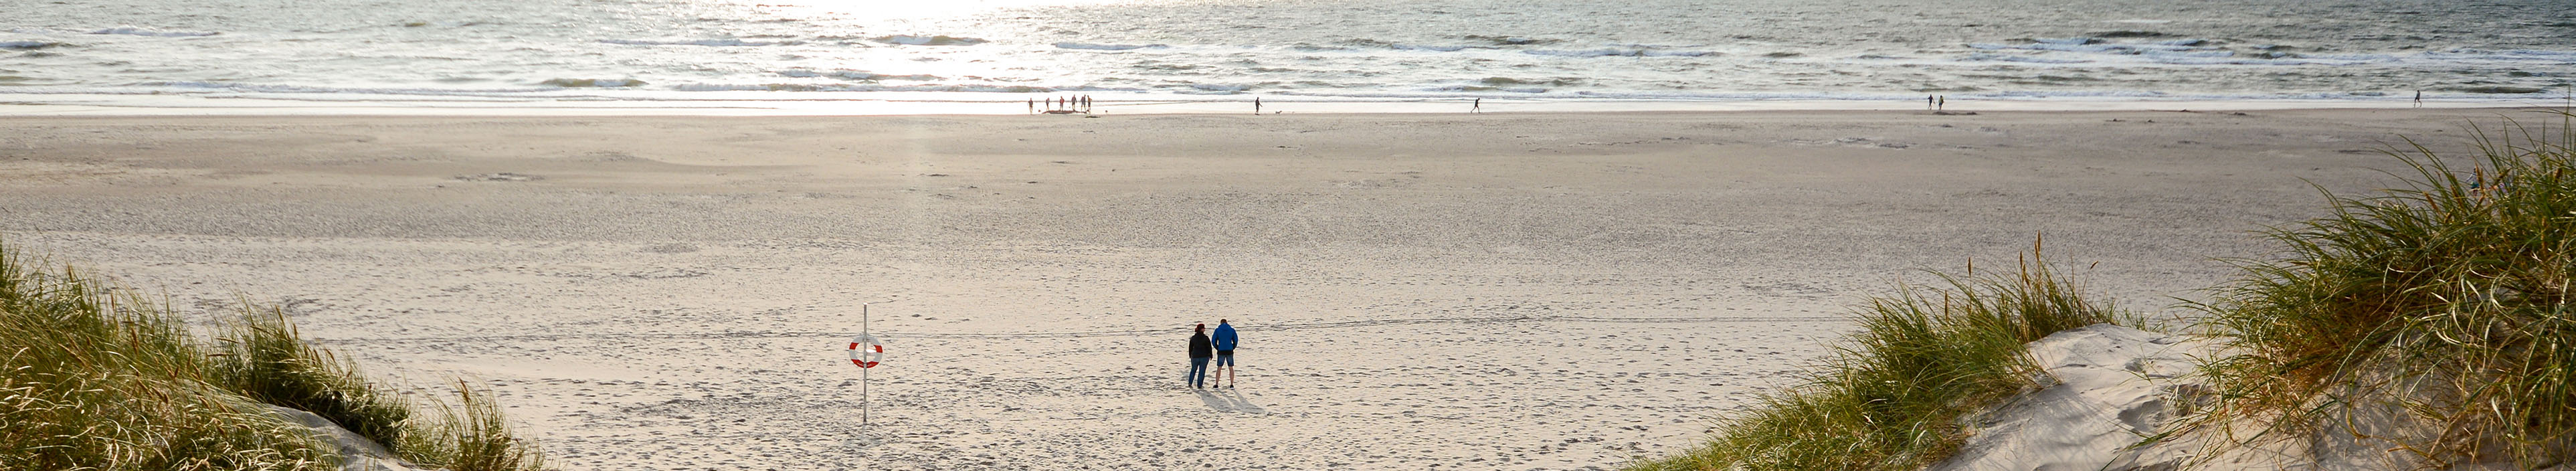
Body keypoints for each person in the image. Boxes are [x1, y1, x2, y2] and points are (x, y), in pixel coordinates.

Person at [1210, 319, 1238, 388]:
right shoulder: (1232, 330)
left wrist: (1217, 347)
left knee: (1219, 367)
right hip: (1229, 350)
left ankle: (1217, 383)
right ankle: (1232, 384)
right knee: (1231, 367)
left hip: (1221, 350)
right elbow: (1236, 339)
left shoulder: (1217, 330)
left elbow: (1214, 340)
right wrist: (1233, 347)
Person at [1187, 323, 1214, 389]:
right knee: (1202, 371)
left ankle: (1190, 382)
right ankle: (1199, 385)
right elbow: (1209, 347)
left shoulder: (1193, 338)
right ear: (1202, 329)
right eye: (1204, 328)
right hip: (1204, 356)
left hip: (1195, 356)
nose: (1205, 329)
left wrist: (1190, 355)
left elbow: (1190, 347)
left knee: (1193, 369)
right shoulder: (1205, 338)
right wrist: (1211, 355)